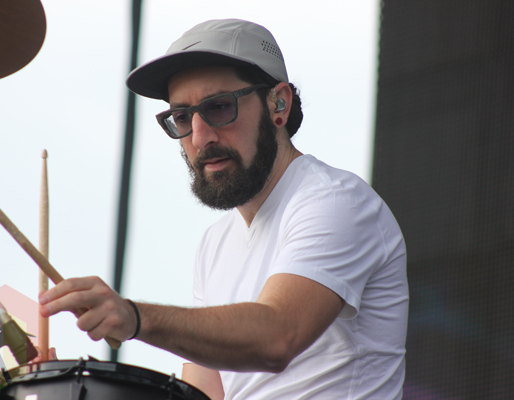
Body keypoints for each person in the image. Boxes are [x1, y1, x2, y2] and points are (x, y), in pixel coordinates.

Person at [38, 19, 408, 400]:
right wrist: (63, 389)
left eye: (219, 107)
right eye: (182, 117)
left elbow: (277, 337)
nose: (200, 137)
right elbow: (201, 394)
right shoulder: (214, 245)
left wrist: (135, 317)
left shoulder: (335, 201)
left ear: (279, 104)